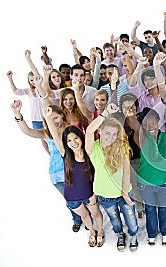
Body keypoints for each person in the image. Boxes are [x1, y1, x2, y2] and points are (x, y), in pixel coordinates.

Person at [10, 100, 84, 232]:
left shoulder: (72, 130)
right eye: (50, 119)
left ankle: (86, 217)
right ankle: (77, 219)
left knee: (83, 197)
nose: (54, 121)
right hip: (57, 174)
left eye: (55, 117)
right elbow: (27, 131)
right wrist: (17, 114)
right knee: (70, 201)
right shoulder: (47, 133)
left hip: (74, 171)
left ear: (62, 115)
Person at [43, 106, 104, 247]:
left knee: (95, 214)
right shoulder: (65, 154)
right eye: (69, 141)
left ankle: (100, 231)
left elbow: (96, 174)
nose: (73, 143)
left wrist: (94, 193)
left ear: (80, 138)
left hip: (89, 193)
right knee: (84, 216)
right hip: (71, 195)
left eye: (75, 138)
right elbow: (56, 136)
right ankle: (92, 232)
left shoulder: (89, 152)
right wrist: (48, 118)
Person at [85, 106, 139, 252]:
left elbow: (127, 170)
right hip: (105, 194)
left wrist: (125, 193)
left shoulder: (121, 146)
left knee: (131, 218)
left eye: (114, 134)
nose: (110, 137)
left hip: (124, 192)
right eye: (107, 133)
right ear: (100, 131)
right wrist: (105, 113)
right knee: (114, 219)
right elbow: (89, 131)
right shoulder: (93, 148)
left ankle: (133, 235)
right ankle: (120, 234)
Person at [135, 108, 166, 246]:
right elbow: (134, 124)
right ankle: (151, 233)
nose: (150, 126)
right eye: (146, 124)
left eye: (153, 123)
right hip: (145, 182)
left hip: (163, 180)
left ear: (158, 121)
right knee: (150, 209)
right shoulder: (142, 138)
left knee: (163, 208)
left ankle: (165, 232)